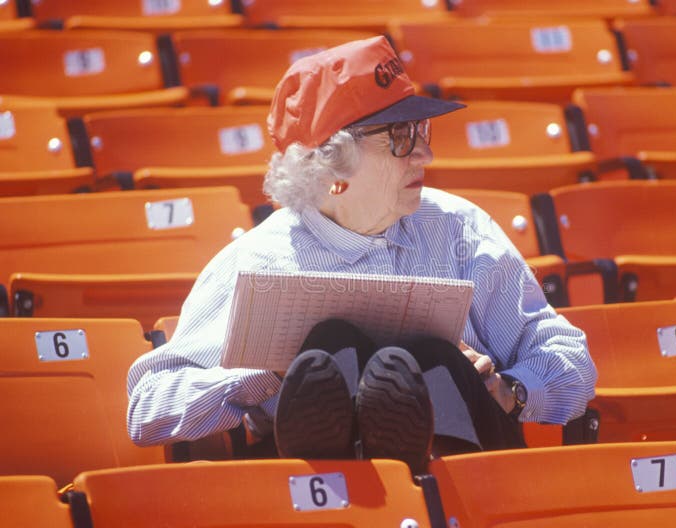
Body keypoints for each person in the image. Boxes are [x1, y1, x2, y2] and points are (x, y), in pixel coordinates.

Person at [127, 36, 596, 474]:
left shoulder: (460, 230)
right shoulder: (258, 264)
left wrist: (510, 391)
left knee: (431, 358)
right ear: (333, 165)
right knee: (329, 352)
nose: (425, 154)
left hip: (467, 477)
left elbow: (571, 360)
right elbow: (147, 408)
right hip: (318, 491)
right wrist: (265, 377)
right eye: (400, 137)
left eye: (421, 129)